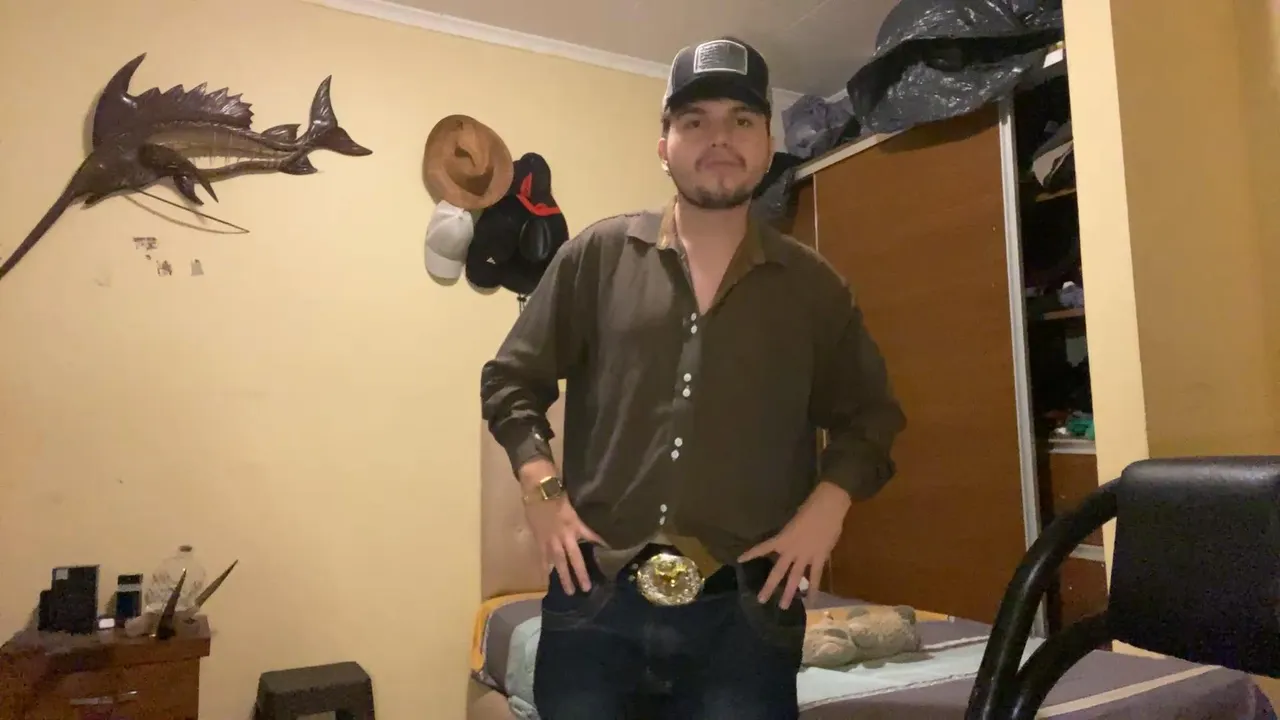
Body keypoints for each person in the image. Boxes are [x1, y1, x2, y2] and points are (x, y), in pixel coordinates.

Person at [480, 35, 906, 720]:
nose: (720, 138)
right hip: (594, 605)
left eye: (742, 120)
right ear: (664, 144)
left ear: (769, 145)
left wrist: (826, 511)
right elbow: (509, 381)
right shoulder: (596, 257)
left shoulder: (815, 288)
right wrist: (542, 489)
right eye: (695, 120)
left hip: (748, 617)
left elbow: (872, 417)